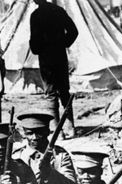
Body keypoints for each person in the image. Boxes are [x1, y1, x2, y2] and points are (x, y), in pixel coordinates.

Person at [29, 0, 79, 138]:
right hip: (60, 56)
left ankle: (58, 132)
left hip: (46, 59)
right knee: (64, 92)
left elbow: (34, 42)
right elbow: (74, 31)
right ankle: (71, 128)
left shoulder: (36, 15)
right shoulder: (58, 11)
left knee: (51, 94)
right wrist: (62, 43)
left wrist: (39, 48)